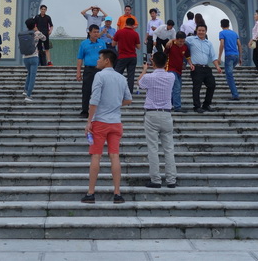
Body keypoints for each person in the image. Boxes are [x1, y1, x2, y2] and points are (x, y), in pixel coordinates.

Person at [81, 49, 132, 204]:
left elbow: (94, 99)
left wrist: (89, 121)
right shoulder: (121, 78)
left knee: (96, 156)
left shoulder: (100, 76)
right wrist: (115, 104)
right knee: (114, 156)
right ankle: (117, 193)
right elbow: (128, 99)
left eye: (99, 58)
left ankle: (91, 193)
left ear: (107, 61)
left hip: (100, 122)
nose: (97, 61)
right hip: (116, 122)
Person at [138, 51, 178, 188]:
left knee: (153, 148)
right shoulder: (171, 77)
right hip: (166, 114)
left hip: (152, 114)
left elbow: (140, 83)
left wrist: (144, 69)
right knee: (169, 148)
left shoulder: (148, 77)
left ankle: (156, 179)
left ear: (152, 62)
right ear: (166, 62)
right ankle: (171, 179)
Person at [185, 24, 223, 113]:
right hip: (196, 68)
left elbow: (213, 56)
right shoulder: (191, 40)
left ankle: (206, 105)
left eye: (203, 31)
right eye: (199, 30)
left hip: (206, 68)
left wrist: (217, 67)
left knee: (212, 85)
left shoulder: (208, 43)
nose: (201, 32)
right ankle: (197, 106)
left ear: (206, 32)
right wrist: (171, 41)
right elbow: (180, 40)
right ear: (196, 31)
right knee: (197, 87)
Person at [76, 24, 107, 116]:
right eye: (94, 32)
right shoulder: (84, 44)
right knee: (86, 90)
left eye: (98, 32)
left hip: (100, 70)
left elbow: (106, 57)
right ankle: (85, 110)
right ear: (89, 32)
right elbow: (80, 58)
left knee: (101, 90)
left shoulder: (102, 43)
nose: (96, 34)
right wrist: (78, 72)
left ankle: (101, 111)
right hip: (89, 70)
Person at [113, 16, 141, 93]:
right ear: (133, 25)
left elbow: (113, 43)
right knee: (131, 76)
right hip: (132, 57)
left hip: (122, 56)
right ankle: (129, 93)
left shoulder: (119, 32)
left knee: (117, 74)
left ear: (125, 23)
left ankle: (116, 91)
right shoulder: (135, 34)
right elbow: (138, 47)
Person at [218, 19, 243, 100]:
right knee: (229, 74)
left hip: (229, 56)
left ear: (221, 25)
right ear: (228, 25)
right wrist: (240, 57)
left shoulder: (222, 33)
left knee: (229, 76)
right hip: (236, 56)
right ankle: (234, 91)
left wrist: (219, 57)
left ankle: (235, 94)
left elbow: (222, 44)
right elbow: (239, 45)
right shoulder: (234, 33)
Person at [21, 18, 46, 101]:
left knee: (29, 73)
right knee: (32, 76)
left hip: (25, 58)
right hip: (34, 57)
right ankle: (28, 95)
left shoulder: (24, 34)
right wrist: (37, 30)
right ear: (35, 25)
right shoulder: (37, 33)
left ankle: (25, 90)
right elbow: (44, 38)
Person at [165, 32, 190, 112]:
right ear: (176, 39)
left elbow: (188, 56)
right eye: (180, 41)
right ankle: (177, 107)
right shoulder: (170, 45)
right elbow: (164, 54)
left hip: (179, 70)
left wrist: (191, 64)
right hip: (170, 69)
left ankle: (170, 104)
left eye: (183, 41)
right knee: (177, 87)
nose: (181, 43)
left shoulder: (185, 47)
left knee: (177, 88)